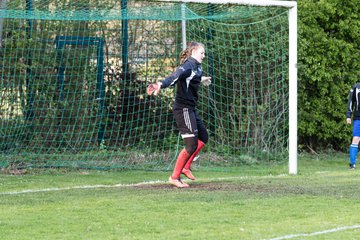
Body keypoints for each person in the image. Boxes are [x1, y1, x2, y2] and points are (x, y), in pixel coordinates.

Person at [147, 41, 211, 188]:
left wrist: (203, 79)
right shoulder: (187, 65)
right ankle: (174, 177)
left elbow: (192, 77)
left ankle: (185, 167)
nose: (204, 55)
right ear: (194, 51)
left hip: (191, 108)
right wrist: (159, 85)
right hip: (183, 109)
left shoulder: (197, 66)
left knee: (203, 137)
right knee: (191, 144)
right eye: (202, 53)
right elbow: (175, 77)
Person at [346, 82, 360, 170]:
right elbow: (350, 101)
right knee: (356, 139)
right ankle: (352, 164)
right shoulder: (356, 87)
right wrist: (348, 115)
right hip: (358, 118)